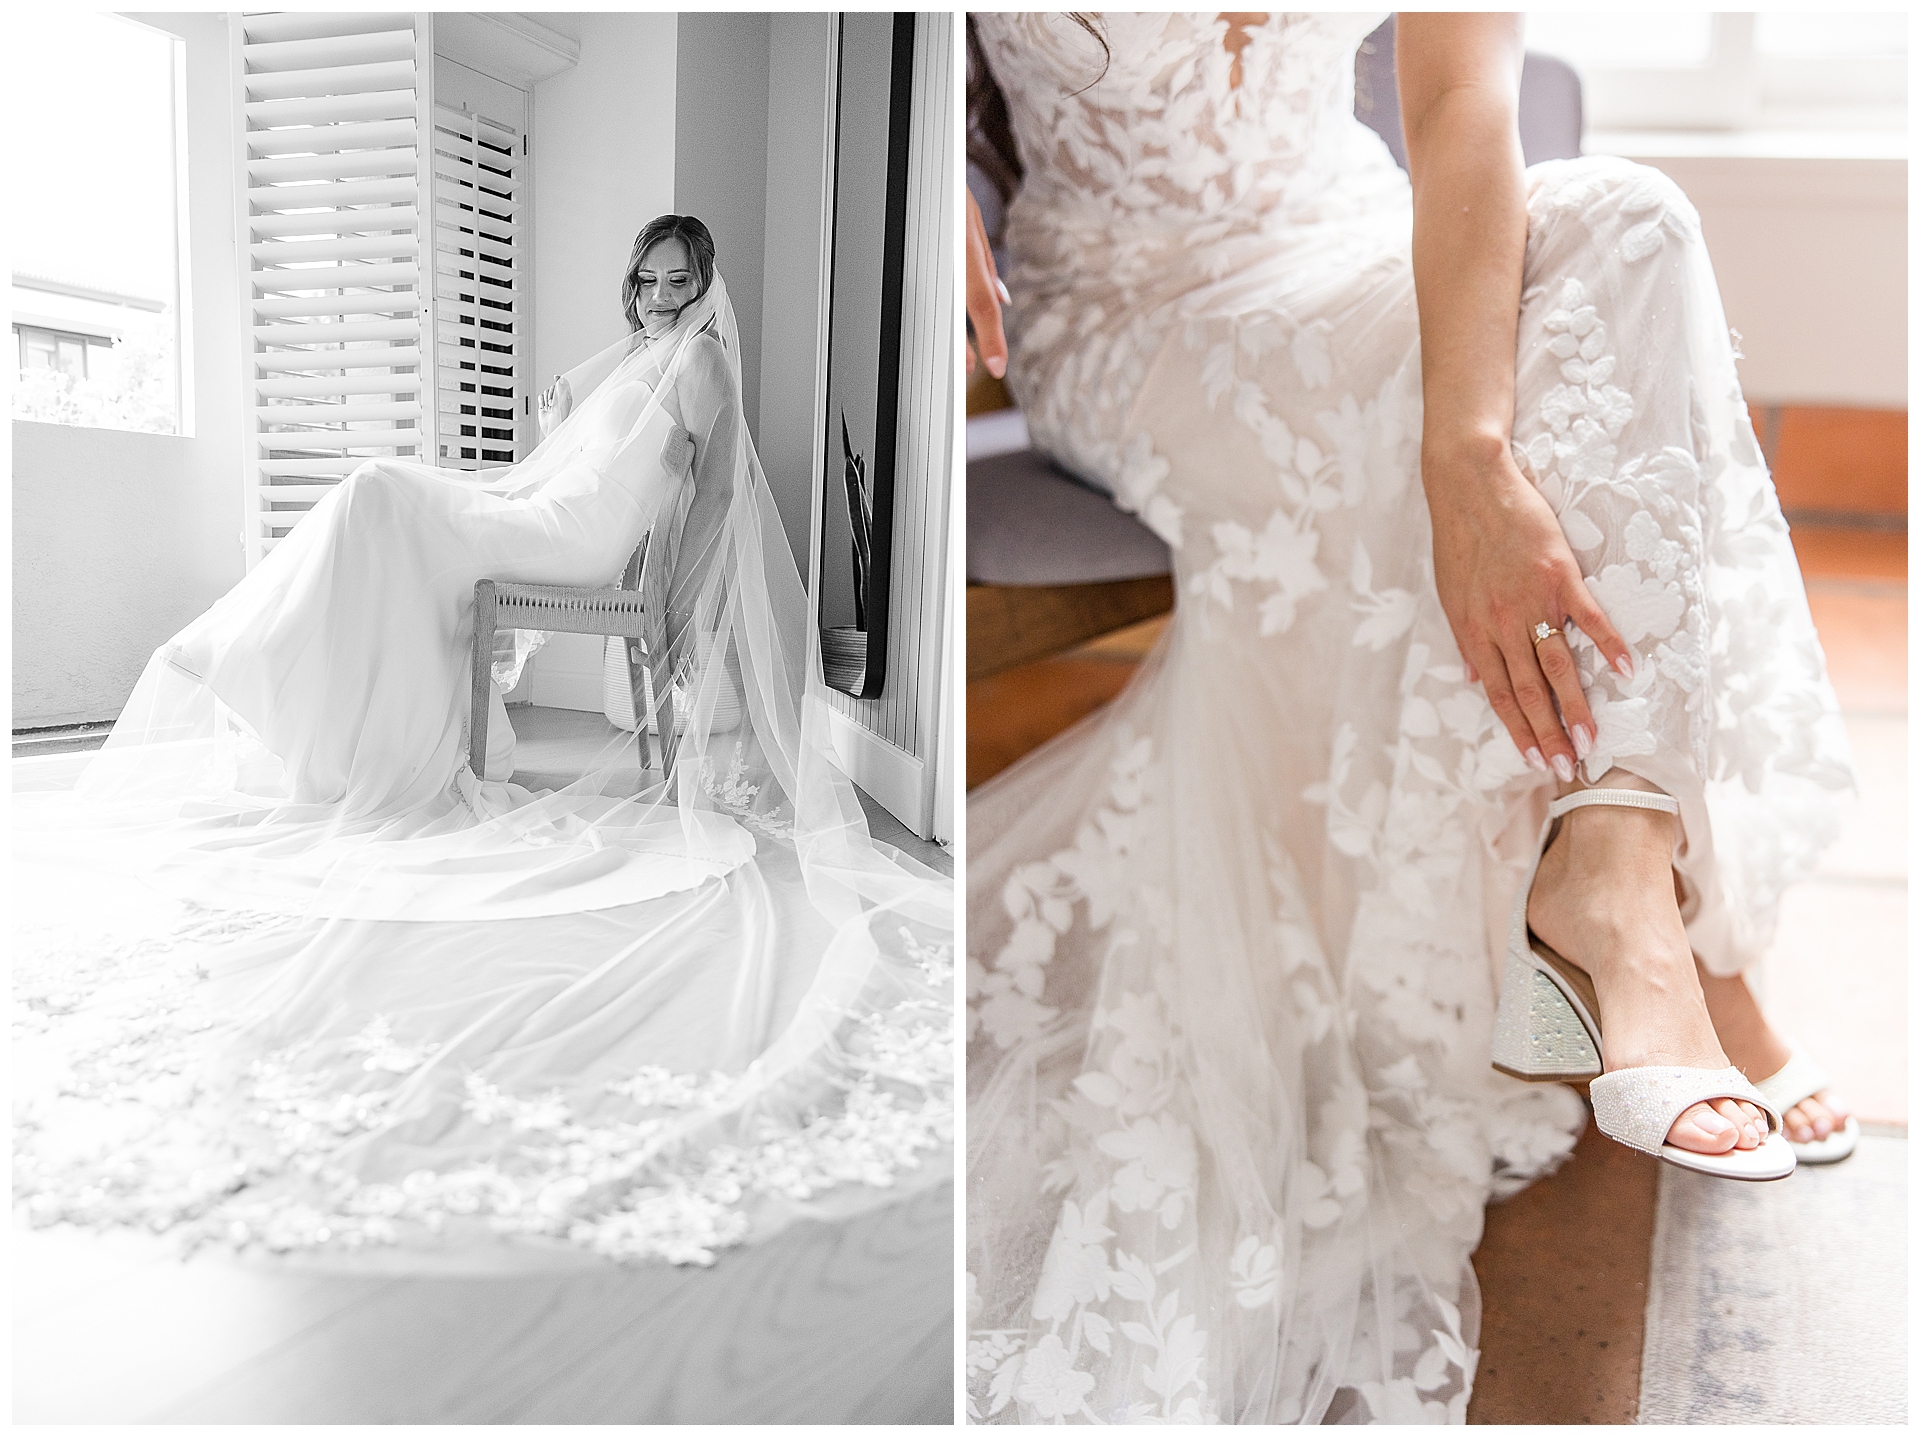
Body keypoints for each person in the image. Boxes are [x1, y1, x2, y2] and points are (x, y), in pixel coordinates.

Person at [963, 14, 1856, 1424]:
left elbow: (1460, 109)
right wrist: (924, 188)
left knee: (1631, 225)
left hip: (1360, 235)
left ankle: (1613, 872)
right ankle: (1684, 945)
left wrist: (1471, 448)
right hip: (1137, 304)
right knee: (1520, 387)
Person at [14, 215, 953, 1270]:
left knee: (378, 493)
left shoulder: (701, 364)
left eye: (675, 281)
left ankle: (275, 678)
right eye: (643, 279)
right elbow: (564, 461)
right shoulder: (642, 357)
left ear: (704, 284)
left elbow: (720, 492)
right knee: (379, 503)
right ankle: (310, 702)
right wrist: (563, 421)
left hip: (573, 538)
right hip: (544, 509)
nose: (655, 297)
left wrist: (680, 605)